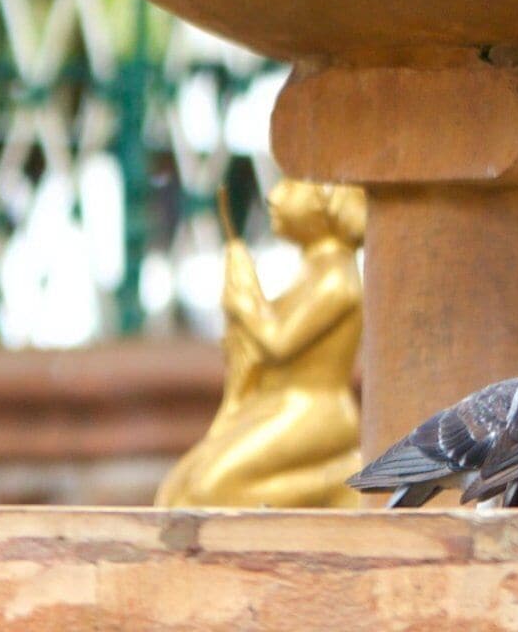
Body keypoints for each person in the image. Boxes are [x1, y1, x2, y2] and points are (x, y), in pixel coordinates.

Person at [152, 179, 369, 508]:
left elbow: (279, 343)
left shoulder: (336, 280)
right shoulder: (312, 270)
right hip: (278, 401)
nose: (275, 196)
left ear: (326, 208)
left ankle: (336, 481)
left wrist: (246, 301)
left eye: (294, 189)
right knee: (176, 490)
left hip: (313, 408)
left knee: (211, 491)